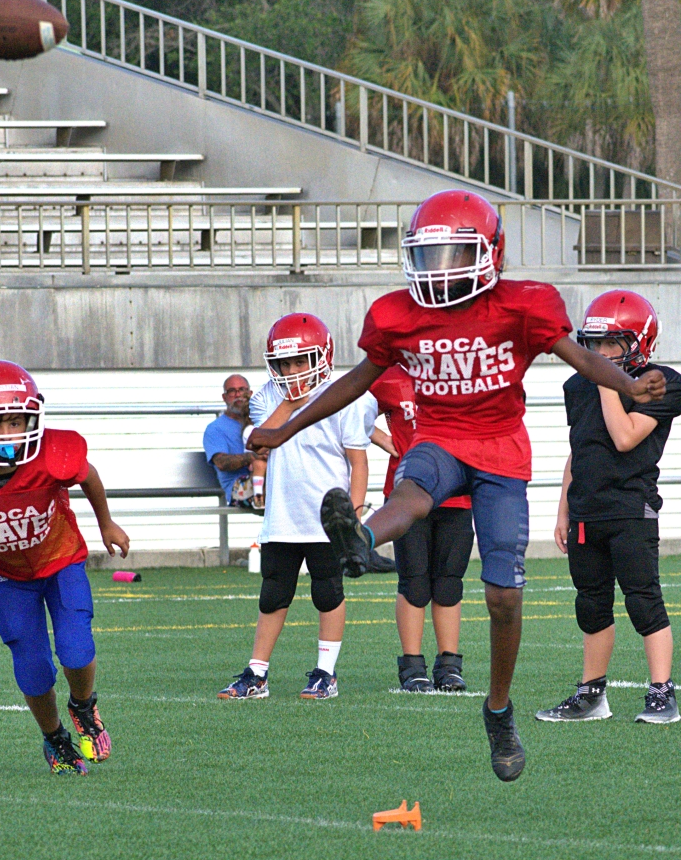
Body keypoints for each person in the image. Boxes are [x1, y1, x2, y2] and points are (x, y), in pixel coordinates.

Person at [248, 190, 666, 781]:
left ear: (489, 253)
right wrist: (287, 428)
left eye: (454, 253)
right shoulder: (398, 313)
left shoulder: (523, 305)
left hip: (499, 449)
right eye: (431, 254)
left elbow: (578, 357)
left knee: (503, 597)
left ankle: (498, 710)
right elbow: (353, 383)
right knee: (412, 494)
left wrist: (627, 385)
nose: (441, 268)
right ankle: (360, 544)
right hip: (439, 437)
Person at [0, 360, 130, 774]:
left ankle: (83, 706)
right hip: (9, 577)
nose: (5, 434)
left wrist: (106, 521)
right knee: (32, 670)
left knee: (76, 647)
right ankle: (55, 738)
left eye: (15, 421)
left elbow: (87, 476)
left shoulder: (53, 454)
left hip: (61, 561)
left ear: (32, 417)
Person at [537, 291, 681, 724]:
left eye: (611, 344)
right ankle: (591, 695)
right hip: (586, 509)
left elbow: (624, 437)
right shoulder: (577, 385)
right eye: (593, 344)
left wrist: (605, 380)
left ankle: (661, 695)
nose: (599, 354)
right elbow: (578, 448)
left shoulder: (660, 381)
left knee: (643, 601)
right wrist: (562, 508)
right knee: (591, 603)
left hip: (629, 508)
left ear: (640, 342)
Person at [218, 313, 371, 701]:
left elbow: (358, 461)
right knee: (272, 593)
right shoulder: (269, 395)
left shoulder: (344, 395)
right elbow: (260, 441)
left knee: (328, 592)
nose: (292, 370)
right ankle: (257, 673)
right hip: (284, 514)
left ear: (323, 356)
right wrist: (291, 398)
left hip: (326, 516)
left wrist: (351, 514)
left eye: (301, 361)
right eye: (284, 363)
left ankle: (325, 672)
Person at [370, 364, 474, 692]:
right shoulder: (388, 376)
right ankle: (412, 666)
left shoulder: (463, 371)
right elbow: (352, 415)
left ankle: (449, 665)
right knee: (414, 581)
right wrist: (386, 441)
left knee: (448, 582)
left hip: (456, 493)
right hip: (407, 491)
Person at [203, 374, 256, 507]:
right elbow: (221, 463)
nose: (238, 394)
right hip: (239, 489)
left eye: (242, 390)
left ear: (250, 394)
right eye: (232, 391)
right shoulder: (215, 429)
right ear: (224, 397)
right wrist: (253, 457)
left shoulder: (261, 420)